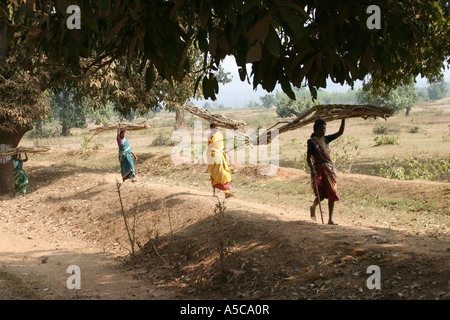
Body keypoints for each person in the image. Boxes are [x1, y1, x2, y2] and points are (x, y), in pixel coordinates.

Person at [306, 118, 345, 225]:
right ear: (316, 129)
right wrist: (312, 169)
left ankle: (330, 219)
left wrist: (343, 118)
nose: (323, 131)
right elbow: (308, 158)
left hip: (329, 170)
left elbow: (340, 132)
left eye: (325, 128)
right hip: (318, 170)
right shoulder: (312, 142)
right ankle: (313, 207)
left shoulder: (326, 139)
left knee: (332, 192)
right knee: (321, 195)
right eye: (321, 128)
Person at [207, 123, 234, 199]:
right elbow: (210, 146)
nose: (217, 128)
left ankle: (226, 193)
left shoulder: (220, 135)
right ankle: (214, 192)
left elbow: (220, 145)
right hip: (213, 157)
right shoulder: (210, 136)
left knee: (223, 173)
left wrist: (222, 150)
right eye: (215, 127)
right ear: (211, 128)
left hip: (220, 156)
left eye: (217, 127)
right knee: (214, 174)